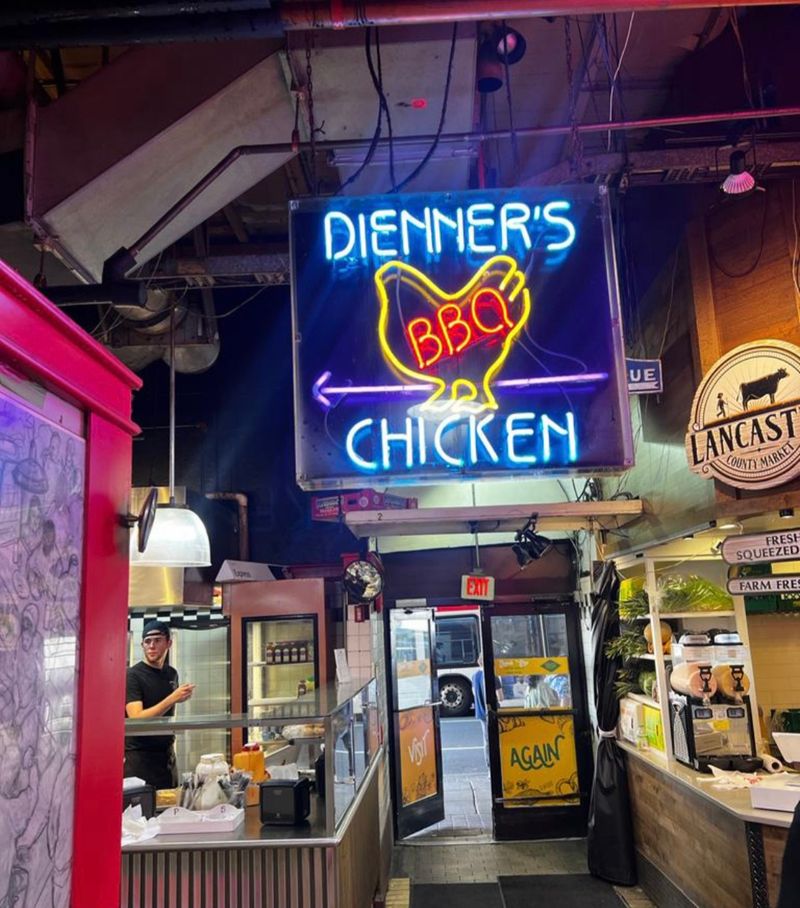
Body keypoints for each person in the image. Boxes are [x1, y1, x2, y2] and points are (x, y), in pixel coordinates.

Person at [124, 621, 195, 789]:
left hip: (167, 756)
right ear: (142, 645)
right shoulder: (132, 675)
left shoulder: (171, 673)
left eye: (157, 640)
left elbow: (164, 708)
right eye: (147, 641)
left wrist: (180, 697)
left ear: (169, 643)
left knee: (170, 803)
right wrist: (172, 698)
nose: (151, 646)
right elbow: (136, 718)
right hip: (140, 758)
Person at [472, 654, 503, 772]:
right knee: (497, 739)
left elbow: (474, 693)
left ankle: (490, 767)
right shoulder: (493, 676)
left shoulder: (474, 676)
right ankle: (497, 765)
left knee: (486, 740)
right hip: (493, 712)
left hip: (481, 712)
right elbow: (500, 697)